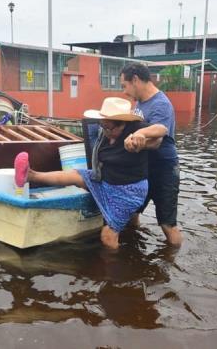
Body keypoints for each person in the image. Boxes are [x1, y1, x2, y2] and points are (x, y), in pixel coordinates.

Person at [14, 97, 165, 249]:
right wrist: (106, 132)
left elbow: (161, 130)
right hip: (104, 179)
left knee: (108, 236)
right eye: (103, 126)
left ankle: (114, 269)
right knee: (74, 175)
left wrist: (141, 134)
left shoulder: (134, 128)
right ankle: (31, 175)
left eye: (110, 129)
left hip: (127, 191)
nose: (106, 132)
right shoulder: (104, 133)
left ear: (123, 124)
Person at [120, 63, 183, 247]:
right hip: (144, 170)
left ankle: (172, 263)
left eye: (125, 85)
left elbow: (157, 137)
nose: (124, 92)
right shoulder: (140, 103)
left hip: (164, 170)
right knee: (133, 213)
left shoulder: (161, 104)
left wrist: (140, 136)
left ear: (136, 80)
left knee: (167, 223)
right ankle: (135, 247)